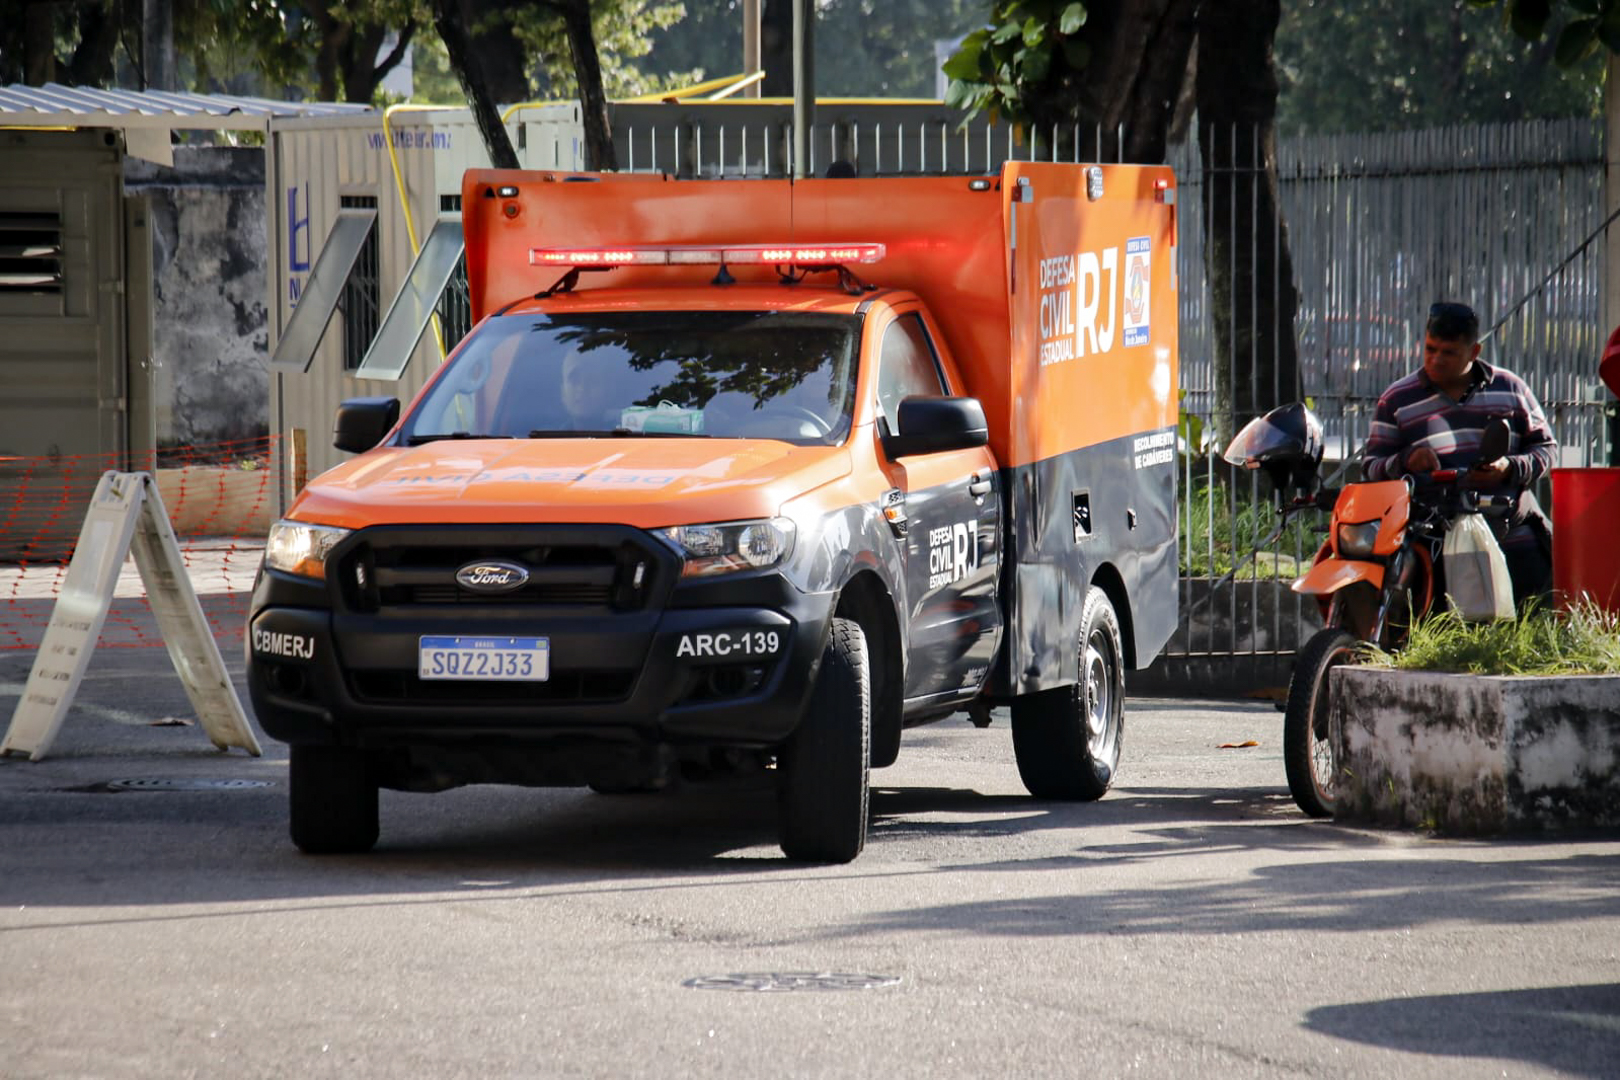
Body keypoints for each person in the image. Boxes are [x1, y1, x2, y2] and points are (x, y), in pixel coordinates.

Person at [1362, 301, 1556, 608]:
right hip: (1433, 545)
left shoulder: (1511, 388)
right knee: (1438, 633)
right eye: (1430, 349)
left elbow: (1546, 450)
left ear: (1474, 352)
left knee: (1523, 630)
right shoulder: (1397, 399)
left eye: (1448, 352)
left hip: (1511, 537)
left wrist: (1509, 467)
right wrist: (1404, 462)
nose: (1436, 359)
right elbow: (1371, 466)